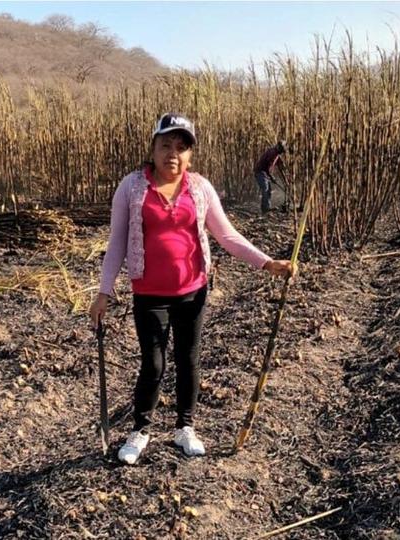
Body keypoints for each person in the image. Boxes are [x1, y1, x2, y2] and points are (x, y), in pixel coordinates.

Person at [89, 113, 295, 465]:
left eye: (181, 147)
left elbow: (226, 235)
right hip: (149, 293)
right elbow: (117, 241)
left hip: (193, 291)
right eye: (165, 145)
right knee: (153, 364)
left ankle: (185, 427)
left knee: (188, 360)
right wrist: (103, 292)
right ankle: (140, 430)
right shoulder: (132, 187)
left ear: (190, 155)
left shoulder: (199, 187)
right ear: (152, 149)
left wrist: (267, 262)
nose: (173, 153)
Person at [253, 141, 288, 213]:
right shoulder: (272, 154)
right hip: (260, 172)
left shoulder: (277, 155)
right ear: (278, 147)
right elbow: (267, 168)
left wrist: (285, 180)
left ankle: (267, 207)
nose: (282, 152)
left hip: (264, 173)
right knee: (265, 188)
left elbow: (281, 169)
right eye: (282, 149)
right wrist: (272, 177)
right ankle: (265, 209)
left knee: (268, 190)